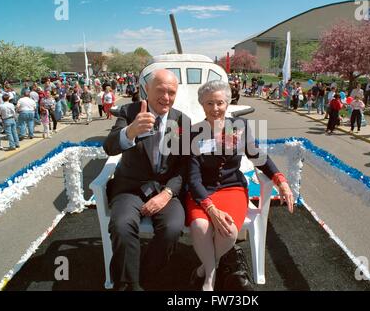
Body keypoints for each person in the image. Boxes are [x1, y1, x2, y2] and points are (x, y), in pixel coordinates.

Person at [186, 80, 295, 291]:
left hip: (231, 188)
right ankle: (210, 275)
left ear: (227, 104)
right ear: (202, 105)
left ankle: (204, 269)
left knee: (228, 232)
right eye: (209, 103)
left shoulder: (240, 127)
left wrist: (279, 179)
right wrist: (210, 208)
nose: (215, 108)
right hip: (201, 191)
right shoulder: (193, 132)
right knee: (200, 226)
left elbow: (257, 156)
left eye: (220, 103)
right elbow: (192, 177)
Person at [103, 69, 191, 291]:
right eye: (161, 90)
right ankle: (130, 284)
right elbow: (109, 147)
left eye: (172, 92)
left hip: (165, 190)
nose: (166, 97)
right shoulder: (129, 112)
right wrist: (130, 131)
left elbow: (183, 166)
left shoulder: (182, 120)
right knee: (122, 226)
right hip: (130, 188)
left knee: (172, 228)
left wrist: (168, 193)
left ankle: (146, 273)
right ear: (147, 90)